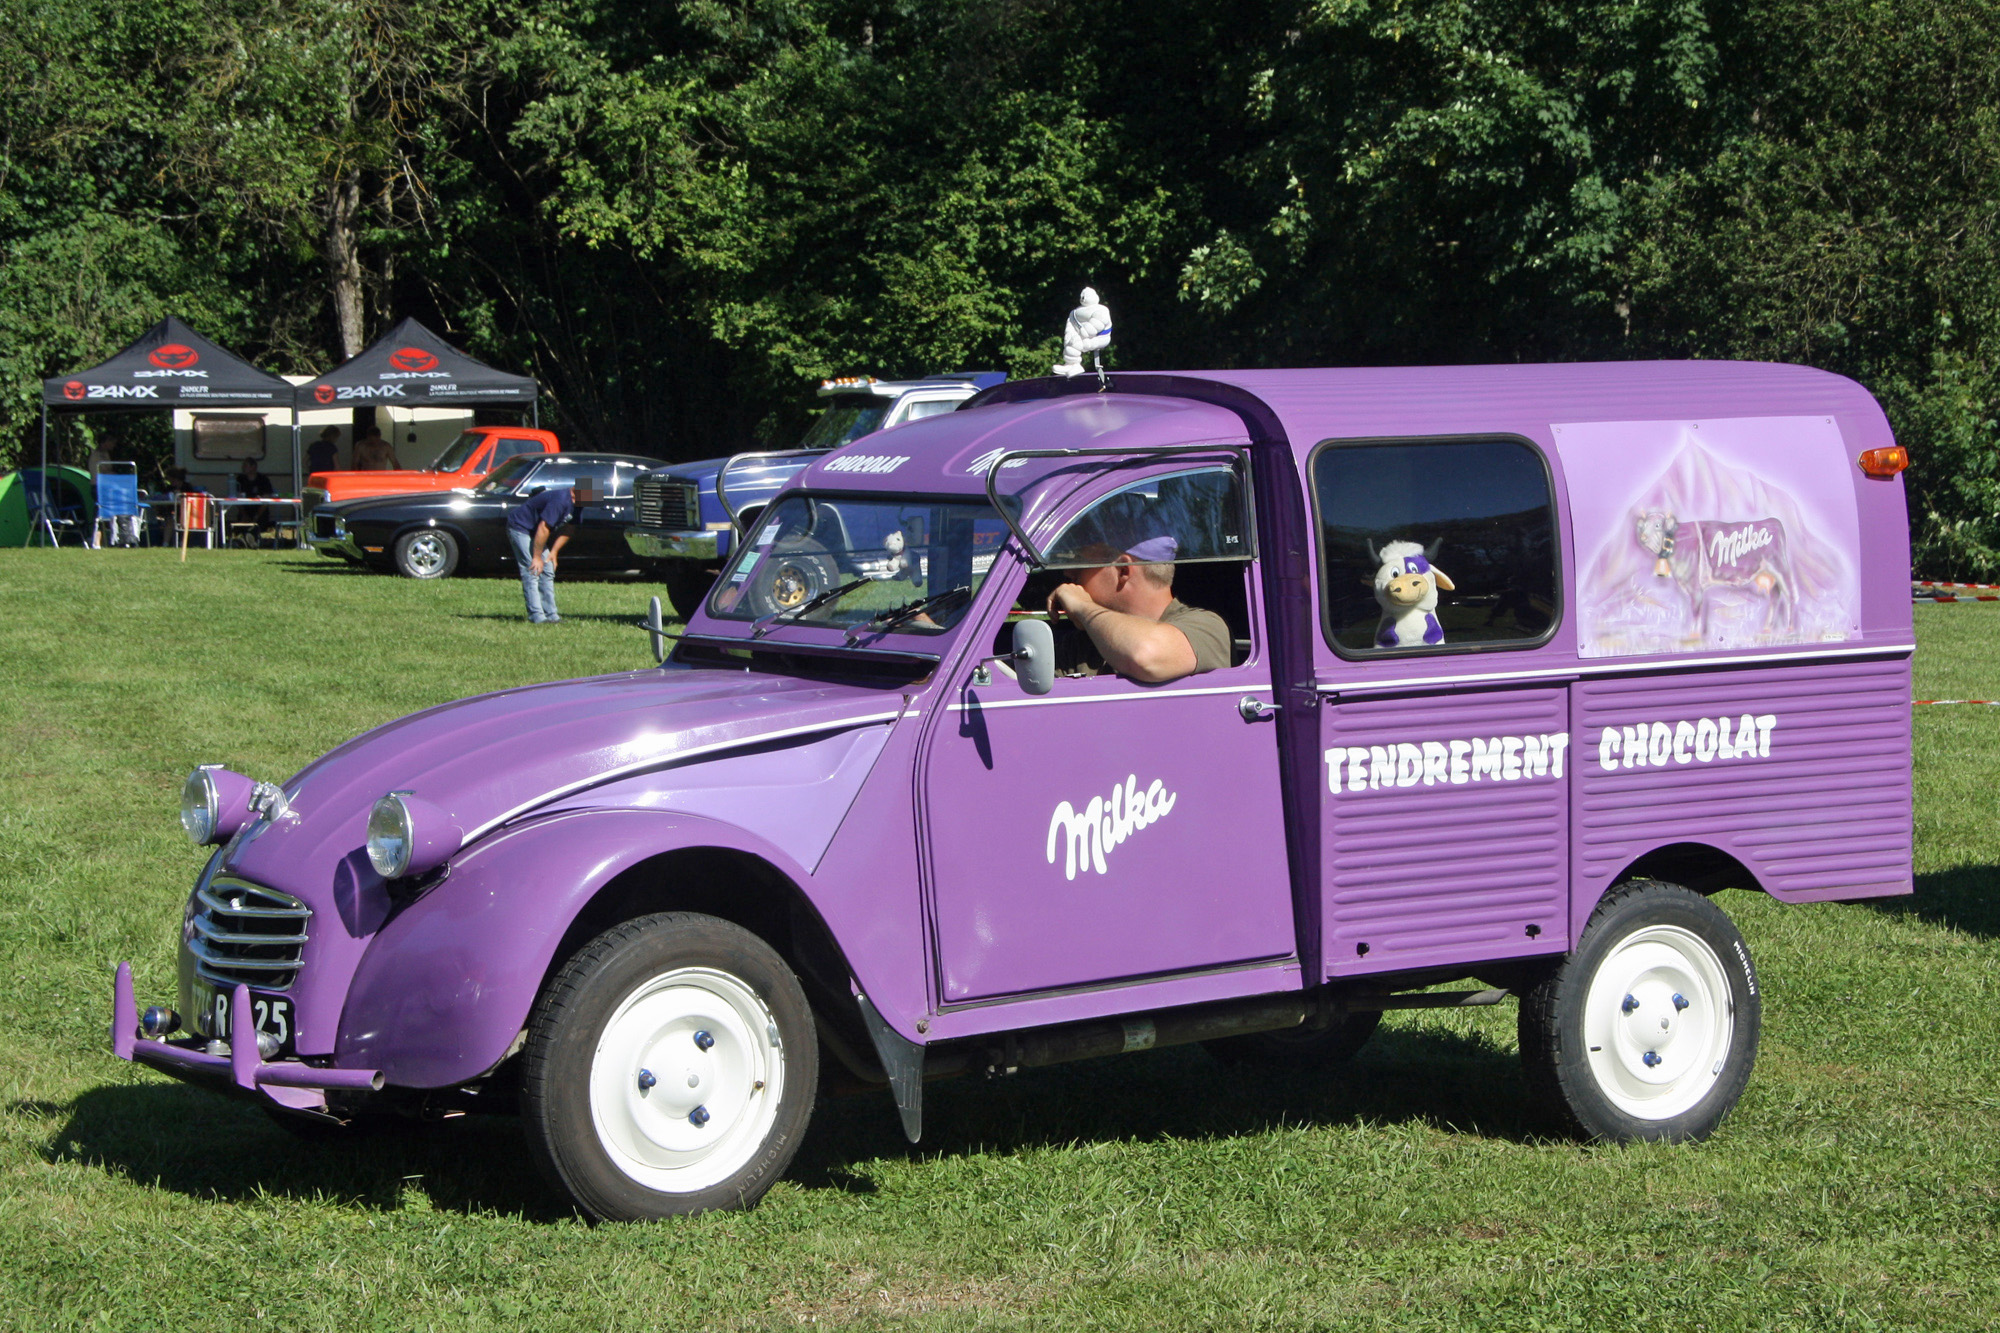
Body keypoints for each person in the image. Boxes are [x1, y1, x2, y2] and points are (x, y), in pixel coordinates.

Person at [1045, 536, 1231, 683]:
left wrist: (1082, 606)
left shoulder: (1206, 626)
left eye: (1081, 561)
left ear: (1123, 570)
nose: (1068, 573)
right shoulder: (1082, 644)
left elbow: (1145, 656)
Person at [507, 478, 598, 623]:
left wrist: (554, 552)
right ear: (575, 492)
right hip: (521, 527)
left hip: (537, 532)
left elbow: (570, 529)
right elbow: (543, 528)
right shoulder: (560, 500)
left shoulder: (579, 503)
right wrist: (537, 557)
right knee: (533, 569)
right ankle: (537, 616)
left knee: (548, 568)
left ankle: (551, 615)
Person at [232, 457, 276, 543]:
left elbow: (266, 500)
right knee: (241, 523)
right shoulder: (240, 479)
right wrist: (244, 514)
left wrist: (256, 516)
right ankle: (243, 541)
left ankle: (256, 540)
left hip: (260, 512)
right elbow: (236, 499)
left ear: (253, 467)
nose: (243, 468)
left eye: (245, 466)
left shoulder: (263, 480)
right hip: (245, 511)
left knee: (260, 522)